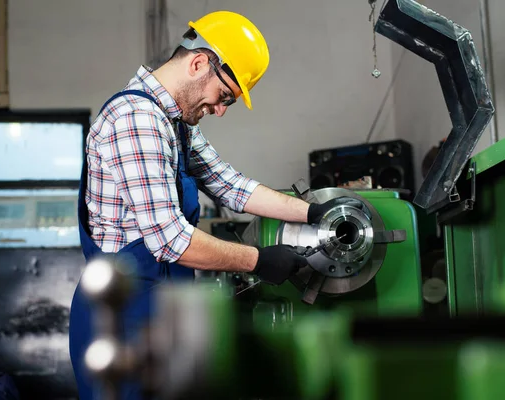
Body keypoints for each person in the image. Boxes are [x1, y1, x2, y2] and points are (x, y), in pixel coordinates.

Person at [69, 10, 366, 400]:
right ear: (198, 63)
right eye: (224, 96)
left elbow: (229, 185)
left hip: (162, 305)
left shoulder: (173, 122)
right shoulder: (136, 119)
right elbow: (171, 241)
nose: (221, 110)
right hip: (123, 316)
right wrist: (260, 260)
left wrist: (314, 211)